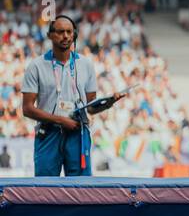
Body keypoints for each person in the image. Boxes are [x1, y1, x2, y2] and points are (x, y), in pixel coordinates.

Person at [20, 15, 117, 177]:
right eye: (60, 32)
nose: (65, 36)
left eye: (69, 32)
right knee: (46, 190)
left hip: (77, 133)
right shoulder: (36, 66)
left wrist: (108, 103)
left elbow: (91, 108)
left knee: (81, 191)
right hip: (48, 133)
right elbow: (27, 109)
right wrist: (60, 120)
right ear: (50, 35)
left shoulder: (86, 64)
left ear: (74, 35)